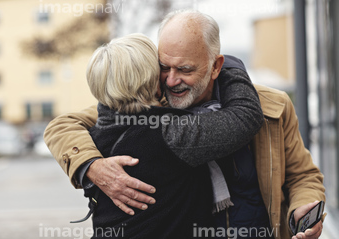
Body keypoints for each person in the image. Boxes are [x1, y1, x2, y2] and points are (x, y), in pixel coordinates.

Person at [44, 9, 325, 239]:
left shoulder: (271, 106)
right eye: (164, 67)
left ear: (216, 66)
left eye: (186, 69)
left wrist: (301, 209)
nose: (171, 80)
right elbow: (62, 126)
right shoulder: (144, 105)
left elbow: (303, 176)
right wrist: (91, 166)